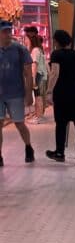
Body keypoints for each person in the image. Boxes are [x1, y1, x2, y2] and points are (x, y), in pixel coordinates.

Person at [46, 29, 75, 166]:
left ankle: (60, 153)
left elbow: (55, 73)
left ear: (57, 41)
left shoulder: (56, 54)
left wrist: (49, 92)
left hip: (62, 94)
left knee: (61, 124)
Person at [0, 19, 35, 166]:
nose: (8, 33)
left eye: (9, 30)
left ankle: (28, 147)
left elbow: (28, 73)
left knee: (19, 123)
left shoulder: (20, 49)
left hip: (16, 92)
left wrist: (29, 93)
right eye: (4, 31)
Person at [28, 32, 48, 123]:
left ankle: (39, 117)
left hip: (38, 76)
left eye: (27, 39)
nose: (26, 41)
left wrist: (33, 79)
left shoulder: (35, 50)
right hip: (42, 76)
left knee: (38, 97)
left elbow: (34, 65)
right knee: (39, 96)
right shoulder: (39, 50)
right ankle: (39, 115)